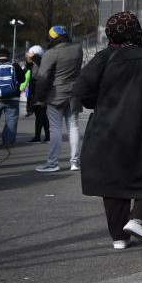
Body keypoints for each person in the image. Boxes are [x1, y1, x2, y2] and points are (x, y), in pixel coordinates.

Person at [74, 12, 142, 249]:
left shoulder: (102, 58)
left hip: (105, 131)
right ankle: (138, 218)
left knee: (113, 182)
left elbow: (81, 89)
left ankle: (119, 236)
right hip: (140, 129)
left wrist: (97, 103)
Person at [34, 25, 84, 173]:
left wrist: (40, 98)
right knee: (74, 127)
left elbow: (42, 78)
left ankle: (53, 162)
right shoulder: (77, 49)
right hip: (74, 93)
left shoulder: (51, 53)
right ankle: (75, 162)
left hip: (55, 95)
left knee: (55, 128)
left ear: (52, 38)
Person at [0, 48, 23, 150]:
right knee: (11, 121)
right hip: (13, 98)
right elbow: (23, 79)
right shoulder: (14, 65)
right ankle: (8, 143)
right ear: (8, 56)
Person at [24, 46, 49, 142]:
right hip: (37, 92)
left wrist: (33, 57)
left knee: (40, 115)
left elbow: (34, 74)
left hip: (38, 92)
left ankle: (39, 136)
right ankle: (46, 136)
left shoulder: (39, 63)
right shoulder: (36, 63)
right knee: (41, 115)